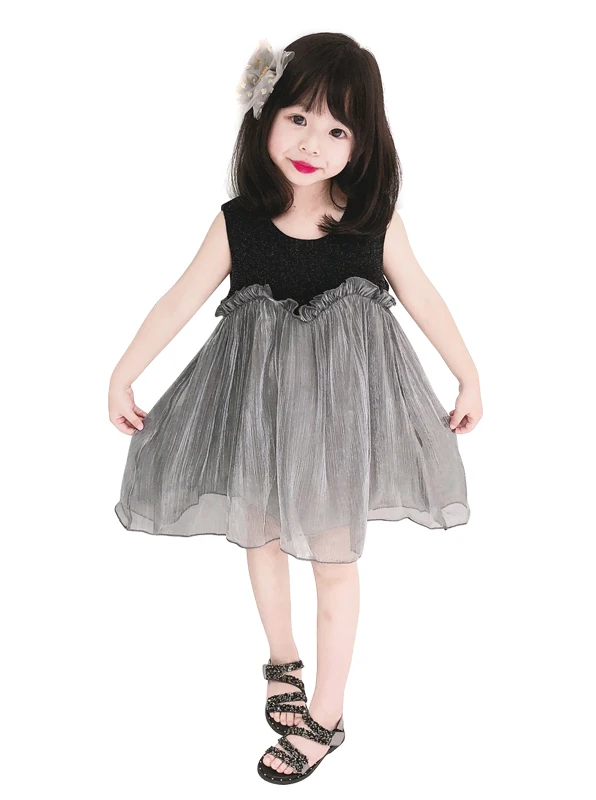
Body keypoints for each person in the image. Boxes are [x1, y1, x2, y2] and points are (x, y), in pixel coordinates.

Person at [108, 33, 482, 784]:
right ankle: (283, 660)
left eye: (338, 129)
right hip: (258, 409)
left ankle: (329, 714)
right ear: (265, 115)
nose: (313, 143)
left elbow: (423, 295)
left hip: (341, 420)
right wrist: (124, 372)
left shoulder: (372, 222)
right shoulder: (239, 223)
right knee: (263, 538)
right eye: (298, 118)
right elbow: (181, 298)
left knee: (335, 562)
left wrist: (467, 375)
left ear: (365, 143)